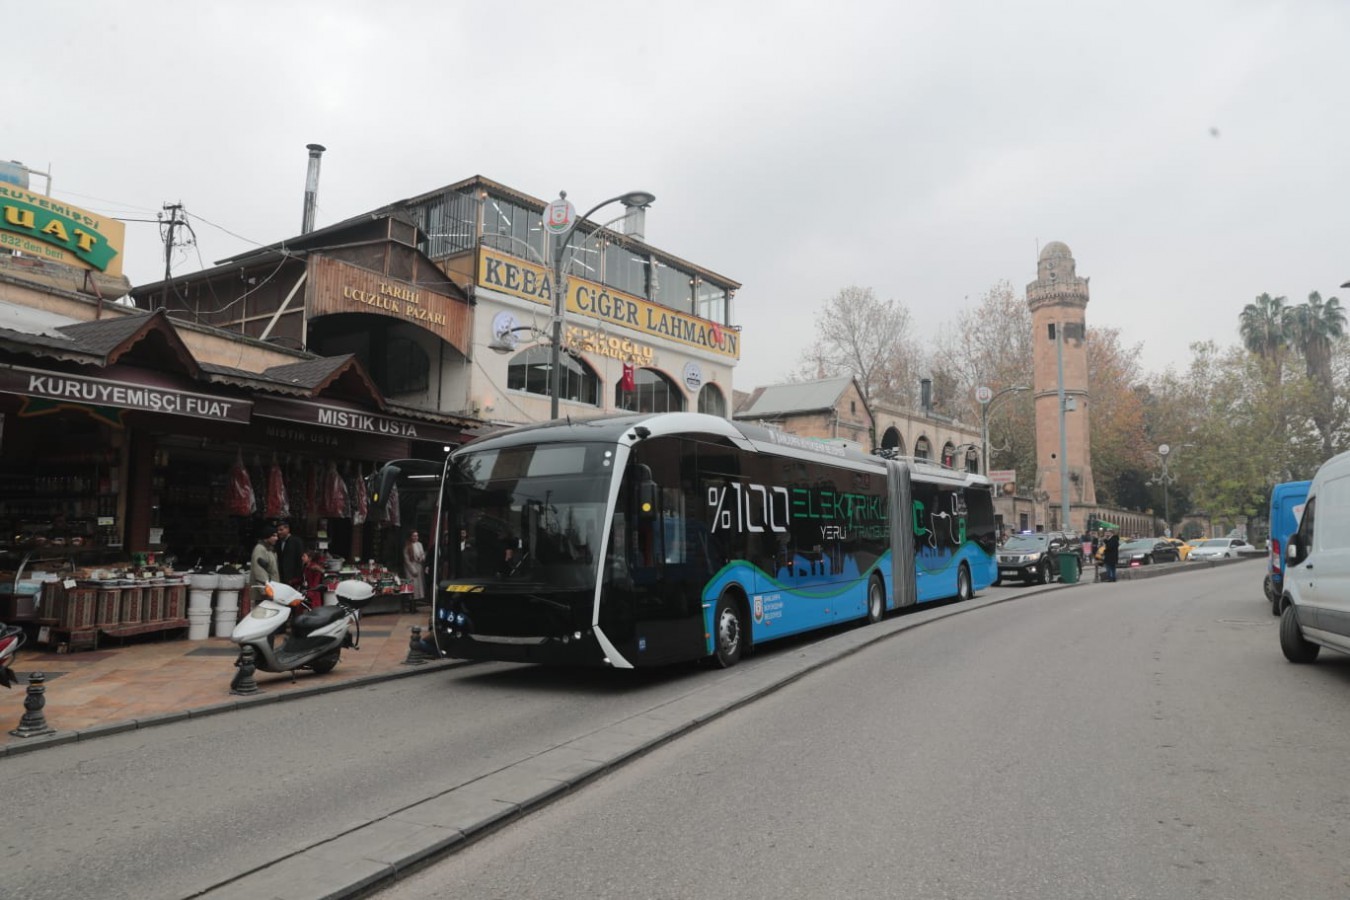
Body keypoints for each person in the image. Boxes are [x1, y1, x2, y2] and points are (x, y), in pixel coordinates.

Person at [249, 526, 280, 607]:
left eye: (277, 536)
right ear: (267, 536)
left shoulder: (270, 549)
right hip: (264, 594)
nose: (276, 538)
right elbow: (259, 571)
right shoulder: (260, 549)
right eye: (273, 536)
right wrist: (266, 591)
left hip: (271, 590)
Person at [275, 520, 305, 588]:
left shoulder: (296, 541)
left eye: (281, 530)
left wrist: (297, 577)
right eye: (278, 530)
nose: (279, 532)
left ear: (287, 529)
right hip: (281, 577)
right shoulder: (278, 542)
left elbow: (300, 559)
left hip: (292, 578)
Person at [403, 530, 427, 606]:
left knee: (418, 588)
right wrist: (413, 570)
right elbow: (407, 560)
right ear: (411, 537)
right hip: (411, 569)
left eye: (417, 536)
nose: (416, 537)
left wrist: (422, 558)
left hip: (419, 567)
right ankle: (411, 605)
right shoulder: (407, 546)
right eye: (414, 536)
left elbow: (423, 554)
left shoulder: (420, 544)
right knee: (412, 587)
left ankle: (416, 603)